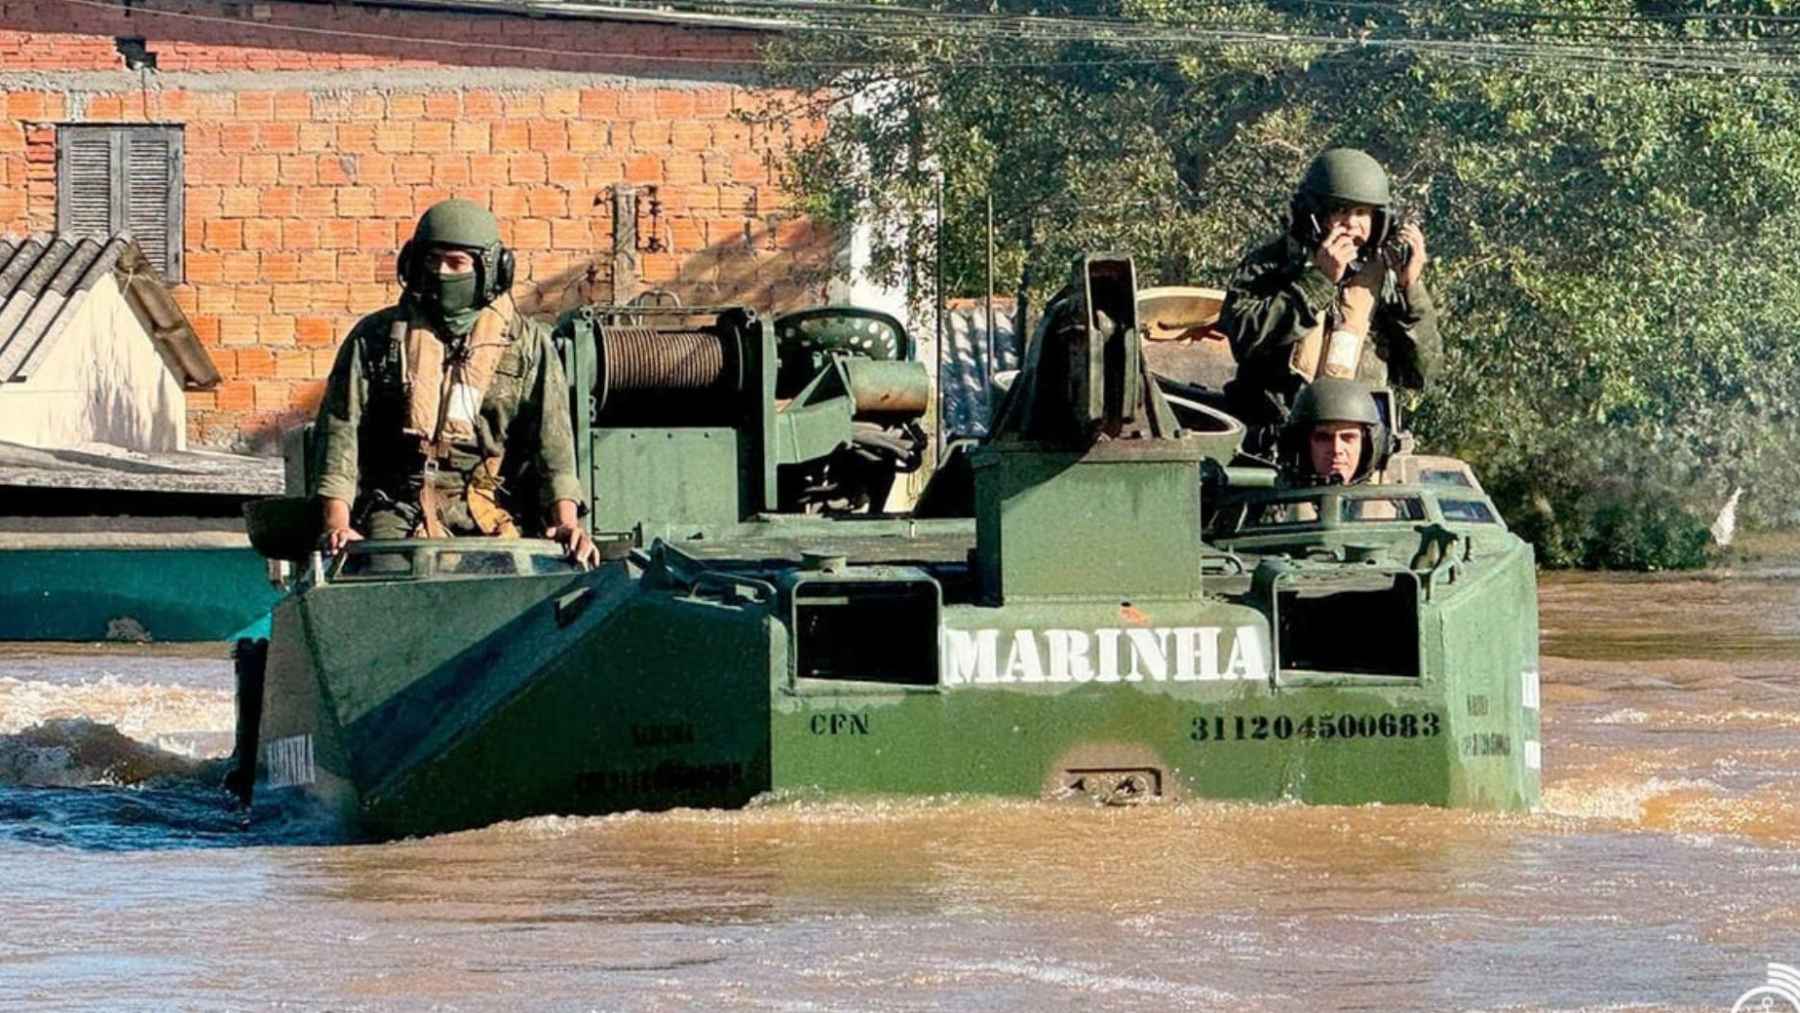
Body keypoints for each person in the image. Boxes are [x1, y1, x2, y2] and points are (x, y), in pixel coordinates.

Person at [310, 198, 598, 566]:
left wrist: (566, 522)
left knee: (517, 590)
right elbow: (340, 434)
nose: (441, 272)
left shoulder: (525, 345)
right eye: (432, 260)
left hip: (487, 508)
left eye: (456, 263)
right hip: (397, 509)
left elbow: (554, 446)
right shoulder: (377, 338)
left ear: (491, 270)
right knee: (383, 580)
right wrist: (337, 524)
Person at [1220, 147, 1440, 456]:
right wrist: (1318, 282)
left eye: (1362, 213)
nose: (1351, 223)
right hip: (1275, 447)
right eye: (1340, 211)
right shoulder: (1268, 267)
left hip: (1355, 454)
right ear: (1314, 214)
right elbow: (1245, 338)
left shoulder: (1385, 279)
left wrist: (1410, 289)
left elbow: (1421, 373)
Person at [1277, 377, 1389, 486]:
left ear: (1365, 445)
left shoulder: (1380, 498)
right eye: (1323, 438)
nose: (1336, 449)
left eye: (1348, 437)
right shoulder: (1279, 497)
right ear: (1304, 445)